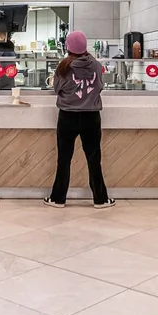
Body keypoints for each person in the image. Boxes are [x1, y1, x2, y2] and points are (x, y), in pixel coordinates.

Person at [45, 30, 113, 209]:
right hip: (91, 116)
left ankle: (57, 199)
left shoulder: (63, 66)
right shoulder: (96, 65)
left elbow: (56, 88)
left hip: (68, 116)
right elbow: (99, 86)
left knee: (64, 158)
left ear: (68, 47)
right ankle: (101, 199)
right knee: (94, 158)